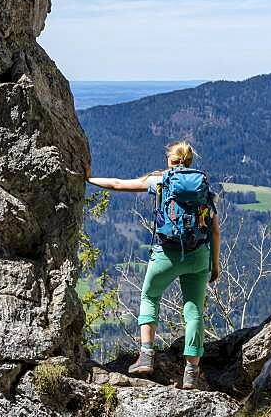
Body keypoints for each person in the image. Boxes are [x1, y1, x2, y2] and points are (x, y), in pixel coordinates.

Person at [87, 140, 221, 391]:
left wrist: (90, 179)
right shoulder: (204, 187)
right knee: (193, 312)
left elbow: (118, 184)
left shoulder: (160, 180)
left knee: (150, 296)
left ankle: (146, 355)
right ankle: (191, 372)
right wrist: (215, 265)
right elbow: (214, 230)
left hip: (166, 254)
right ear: (190, 161)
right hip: (198, 256)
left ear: (170, 160)